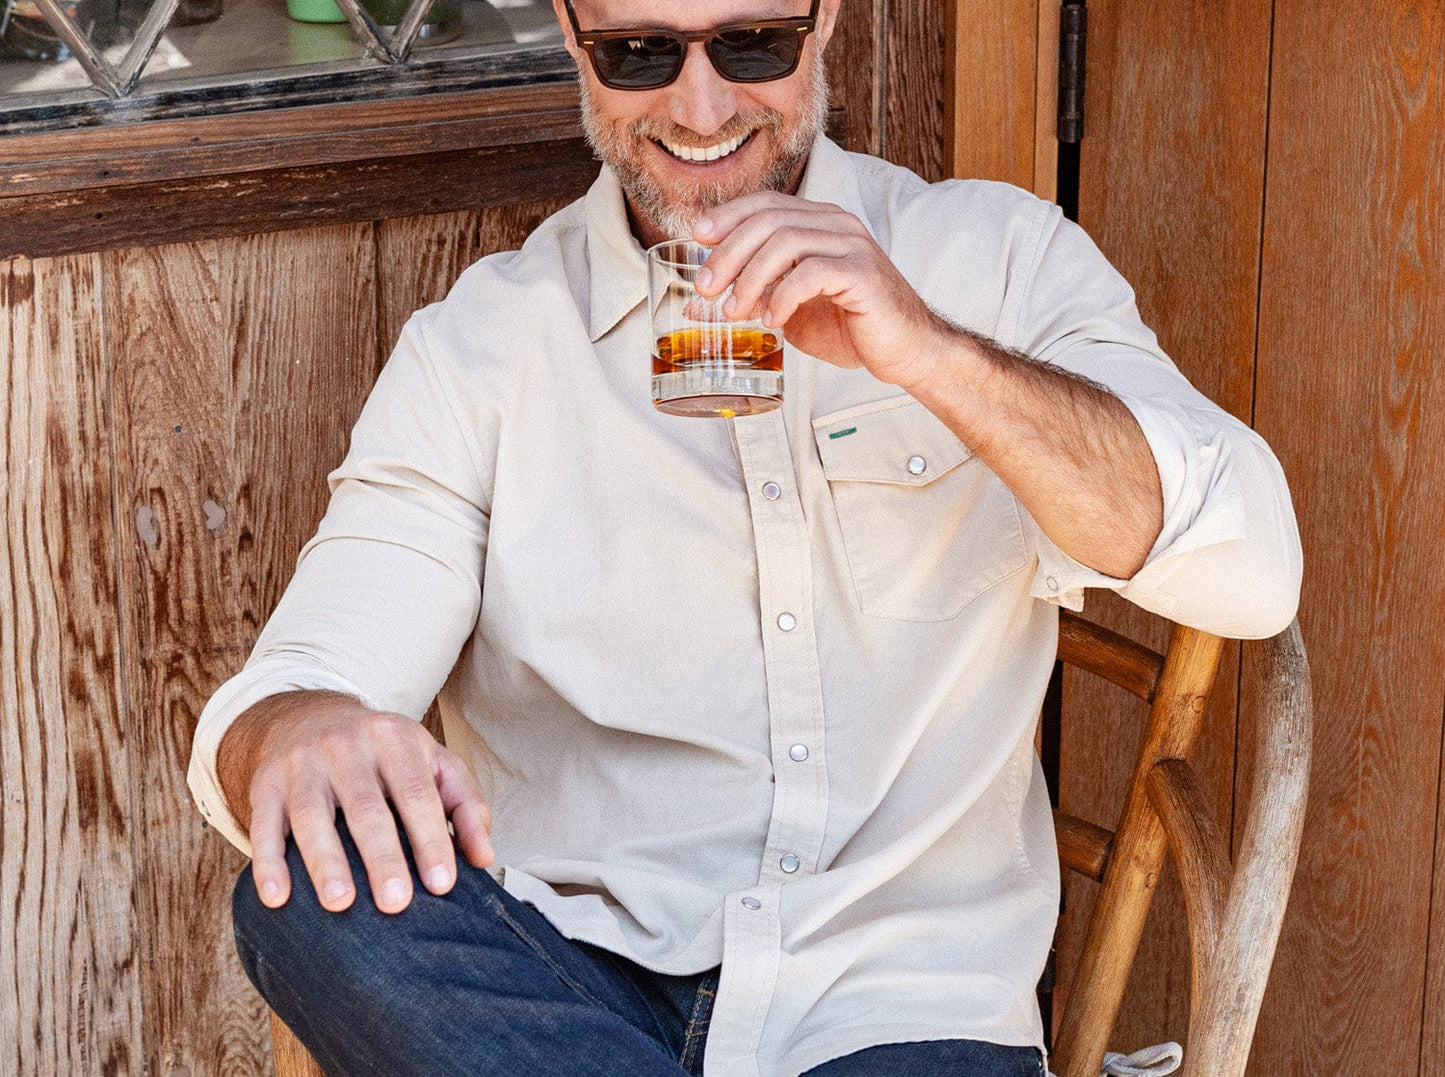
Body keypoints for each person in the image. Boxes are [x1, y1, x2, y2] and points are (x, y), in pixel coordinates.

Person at [188, 0, 1303, 1073]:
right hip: (572, 976)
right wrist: (302, 727)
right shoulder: (483, 347)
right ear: (572, 35)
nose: (702, 108)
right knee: (308, 895)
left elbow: (1254, 575)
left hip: (898, 1003)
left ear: (826, 18)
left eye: (753, 43)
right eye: (639, 53)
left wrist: (933, 353)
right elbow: (309, 675)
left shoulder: (996, 262)